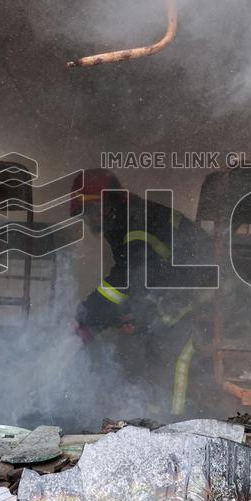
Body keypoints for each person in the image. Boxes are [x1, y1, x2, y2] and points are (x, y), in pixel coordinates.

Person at [70, 168, 213, 417]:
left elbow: (127, 277)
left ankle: (174, 424)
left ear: (109, 203)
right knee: (152, 350)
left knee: (174, 357)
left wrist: (88, 316)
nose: (90, 218)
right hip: (180, 293)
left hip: (202, 294)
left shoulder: (135, 221)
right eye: (86, 213)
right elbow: (144, 279)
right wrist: (126, 315)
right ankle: (153, 420)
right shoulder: (128, 219)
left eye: (92, 209)